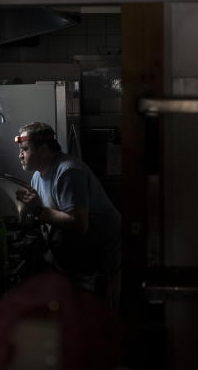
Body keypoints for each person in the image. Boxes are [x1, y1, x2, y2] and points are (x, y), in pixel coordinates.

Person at [13, 122, 122, 308]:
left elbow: (79, 223)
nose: (20, 155)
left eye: (25, 149)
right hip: (73, 258)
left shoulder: (68, 172)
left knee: (96, 315)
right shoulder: (37, 177)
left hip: (97, 259)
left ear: (44, 148)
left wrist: (38, 210)